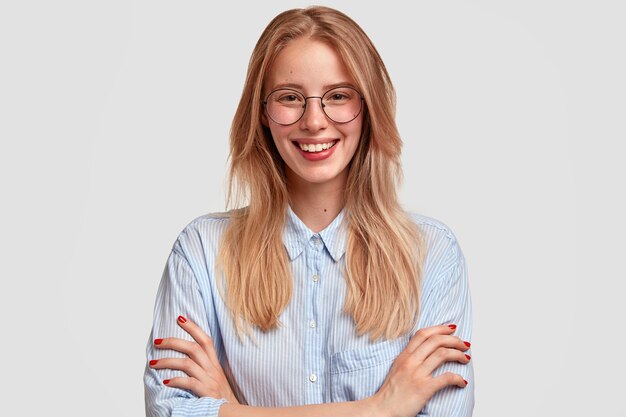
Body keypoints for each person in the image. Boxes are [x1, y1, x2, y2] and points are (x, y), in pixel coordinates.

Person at [144, 6, 474, 417]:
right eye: (289, 98)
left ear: (368, 107)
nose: (314, 121)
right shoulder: (201, 251)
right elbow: (169, 411)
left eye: (338, 96)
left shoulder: (432, 255)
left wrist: (229, 408)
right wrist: (379, 409)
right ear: (262, 113)